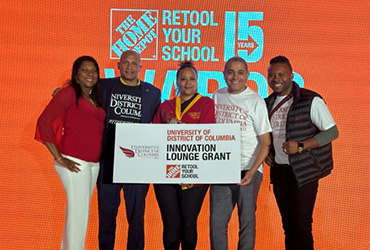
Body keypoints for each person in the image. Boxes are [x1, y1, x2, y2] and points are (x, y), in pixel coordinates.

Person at [265, 55, 339, 250]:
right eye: (271, 75)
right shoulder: (267, 103)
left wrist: (300, 146)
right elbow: (268, 135)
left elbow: (332, 132)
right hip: (280, 172)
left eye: (281, 74)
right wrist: (267, 153)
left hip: (304, 171)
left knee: (302, 226)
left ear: (291, 75)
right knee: (288, 226)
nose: (276, 79)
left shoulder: (310, 99)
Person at [35, 56, 106, 250]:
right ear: (75, 75)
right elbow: (44, 122)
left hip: (93, 164)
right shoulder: (68, 93)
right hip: (75, 161)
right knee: (79, 217)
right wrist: (58, 157)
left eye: (93, 70)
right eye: (84, 70)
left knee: (77, 214)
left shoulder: (95, 97)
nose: (90, 74)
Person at [97, 50, 161, 250]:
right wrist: (63, 91)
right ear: (118, 65)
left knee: (136, 218)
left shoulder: (153, 93)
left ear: (141, 67)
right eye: (126, 63)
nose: (130, 67)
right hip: (109, 159)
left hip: (137, 163)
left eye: (134, 63)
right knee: (106, 214)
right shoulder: (104, 86)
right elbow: (81, 91)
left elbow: (159, 123)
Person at [152, 61, 215, 250]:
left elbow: (207, 137)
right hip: (166, 174)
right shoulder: (165, 106)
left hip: (195, 175)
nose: (187, 83)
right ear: (176, 82)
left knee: (188, 223)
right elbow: (152, 135)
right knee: (171, 225)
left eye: (192, 79)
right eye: (183, 79)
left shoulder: (206, 104)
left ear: (197, 82)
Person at [210, 56, 271, 250]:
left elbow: (266, 142)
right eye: (230, 72)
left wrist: (252, 172)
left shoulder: (256, 101)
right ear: (223, 74)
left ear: (248, 76)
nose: (235, 77)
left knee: (246, 223)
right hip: (221, 169)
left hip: (248, 168)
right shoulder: (217, 96)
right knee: (217, 224)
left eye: (240, 72)